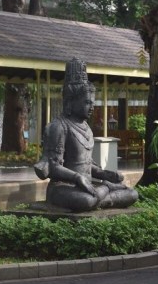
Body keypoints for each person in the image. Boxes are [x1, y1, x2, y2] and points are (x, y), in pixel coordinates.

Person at [34, 58, 138, 212]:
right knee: (86, 200)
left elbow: (86, 164)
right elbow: (53, 167)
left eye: (92, 103)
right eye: (87, 103)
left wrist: (104, 173)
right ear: (70, 102)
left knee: (132, 194)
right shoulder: (58, 126)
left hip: (88, 184)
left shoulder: (86, 127)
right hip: (63, 187)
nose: (91, 107)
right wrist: (77, 177)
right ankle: (105, 191)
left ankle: (102, 194)